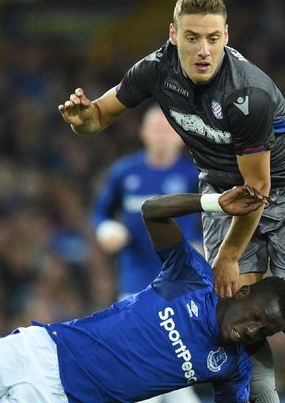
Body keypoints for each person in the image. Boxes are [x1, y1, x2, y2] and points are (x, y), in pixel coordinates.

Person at [58, 0, 285, 403]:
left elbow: (258, 190)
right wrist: (81, 119)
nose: (203, 49)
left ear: (226, 36)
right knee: (241, 307)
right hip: (224, 187)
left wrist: (229, 255)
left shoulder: (247, 95)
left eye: (213, 38)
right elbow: (97, 117)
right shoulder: (154, 70)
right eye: (192, 37)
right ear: (172, 35)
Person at [0, 186, 285, 403]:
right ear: (245, 291)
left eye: (267, 330)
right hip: (35, 347)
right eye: (258, 315)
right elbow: (151, 211)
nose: (253, 329)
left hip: (59, 400)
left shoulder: (233, 369)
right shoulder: (193, 277)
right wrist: (212, 202)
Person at [92, 104, 204, 403]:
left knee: (168, 375)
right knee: (153, 375)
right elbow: (100, 213)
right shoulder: (124, 172)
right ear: (143, 133)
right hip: (134, 289)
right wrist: (106, 231)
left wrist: (203, 246)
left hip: (179, 291)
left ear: (180, 135)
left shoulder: (193, 176)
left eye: (168, 128)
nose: (162, 135)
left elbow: (215, 221)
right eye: (155, 128)